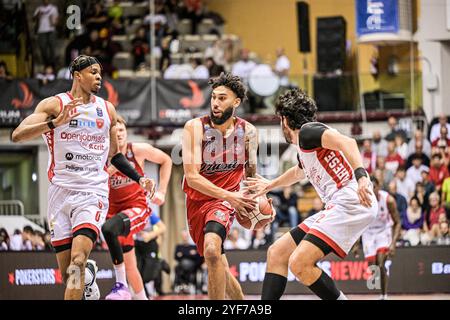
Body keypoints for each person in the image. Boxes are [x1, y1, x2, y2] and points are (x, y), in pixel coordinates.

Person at [11, 55, 155, 300]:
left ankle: (83, 271)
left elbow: (116, 156)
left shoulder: (106, 109)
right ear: (77, 75)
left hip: (92, 193)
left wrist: (139, 178)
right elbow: (17, 135)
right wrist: (54, 123)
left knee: (77, 261)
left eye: (100, 73)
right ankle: (87, 279)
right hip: (59, 195)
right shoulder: (54, 105)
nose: (99, 77)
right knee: (70, 274)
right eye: (93, 72)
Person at [245, 88, 377, 300]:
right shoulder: (305, 144)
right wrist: (270, 184)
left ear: (285, 120)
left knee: (299, 263)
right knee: (277, 252)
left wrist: (361, 176)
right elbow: (299, 171)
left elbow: (348, 142)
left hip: (350, 200)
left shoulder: (308, 132)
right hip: (340, 203)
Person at [182, 72, 258, 300]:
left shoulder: (249, 132)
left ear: (236, 102)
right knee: (217, 262)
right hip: (197, 202)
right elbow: (192, 177)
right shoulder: (194, 127)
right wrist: (231, 196)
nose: (215, 103)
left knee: (213, 251)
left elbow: (251, 173)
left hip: (225, 202)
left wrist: (257, 196)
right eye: (213, 97)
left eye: (222, 98)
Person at [103, 115, 172, 300]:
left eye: (121, 130)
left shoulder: (137, 150)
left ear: (126, 132)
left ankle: (121, 286)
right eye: (114, 131)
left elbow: (166, 160)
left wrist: (162, 192)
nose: (118, 134)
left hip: (137, 209)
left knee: (110, 229)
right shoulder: (103, 156)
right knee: (130, 266)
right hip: (114, 214)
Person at [360, 177, 401, 300]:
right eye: (369, 188)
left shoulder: (388, 200)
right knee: (373, 268)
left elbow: (398, 222)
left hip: (383, 231)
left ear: (379, 187)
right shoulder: (361, 200)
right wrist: (356, 244)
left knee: (381, 264)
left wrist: (393, 243)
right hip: (368, 233)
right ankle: (380, 274)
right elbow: (358, 223)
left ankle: (384, 295)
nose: (372, 190)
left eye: (374, 187)